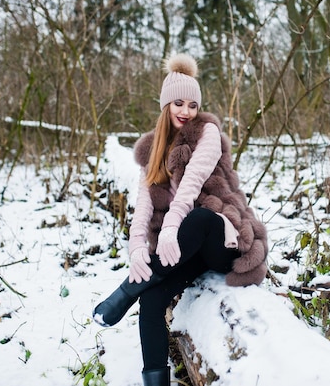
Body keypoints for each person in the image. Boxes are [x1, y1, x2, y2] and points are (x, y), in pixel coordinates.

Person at [92, 53, 268, 386]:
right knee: (153, 298)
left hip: (222, 240)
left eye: (191, 104)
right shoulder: (154, 150)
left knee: (200, 217)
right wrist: (135, 248)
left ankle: (124, 293)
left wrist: (171, 227)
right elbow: (143, 203)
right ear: (165, 106)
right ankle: (155, 379)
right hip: (188, 249)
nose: (186, 111)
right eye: (178, 103)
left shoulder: (207, 134)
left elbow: (191, 185)